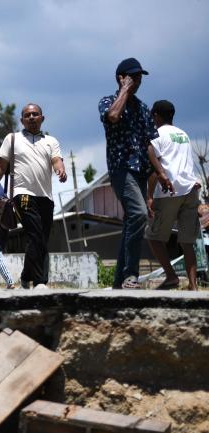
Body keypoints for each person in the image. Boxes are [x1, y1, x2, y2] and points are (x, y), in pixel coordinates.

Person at [0, 103, 67, 289]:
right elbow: (0, 166)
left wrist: (60, 170)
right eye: (27, 115)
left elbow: (57, 160)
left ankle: (26, 276)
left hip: (46, 197)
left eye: (35, 114)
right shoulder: (12, 139)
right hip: (22, 194)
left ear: (42, 118)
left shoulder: (51, 141)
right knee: (35, 234)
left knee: (40, 239)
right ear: (21, 120)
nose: (31, 117)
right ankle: (40, 282)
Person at [99, 57, 159, 289]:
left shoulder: (143, 108)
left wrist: (160, 173)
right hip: (121, 170)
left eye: (139, 78)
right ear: (121, 78)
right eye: (133, 77)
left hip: (141, 172)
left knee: (131, 222)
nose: (137, 81)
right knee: (138, 215)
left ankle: (118, 283)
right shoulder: (108, 101)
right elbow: (113, 117)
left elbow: (149, 144)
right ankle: (130, 275)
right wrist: (124, 90)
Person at [145, 100, 202, 291]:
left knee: (153, 237)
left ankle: (171, 277)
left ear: (156, 116)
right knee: (187, 242)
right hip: (191, 189)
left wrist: (150, 196)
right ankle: (193, 286)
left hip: (170, 190)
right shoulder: (183, 134)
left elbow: (155, 166)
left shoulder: (157, 134)